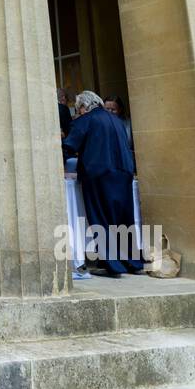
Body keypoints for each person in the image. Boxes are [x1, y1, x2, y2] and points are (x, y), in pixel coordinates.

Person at [63, 90, 140, 278]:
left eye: (78, 109)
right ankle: (132, 262)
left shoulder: (87, 119)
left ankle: (112, 265)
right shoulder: (117, 121)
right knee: (124, 218)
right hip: (124, 172)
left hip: (99, 172)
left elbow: (69, 146)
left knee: (101, 219)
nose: (78, 113)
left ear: (83, 107)